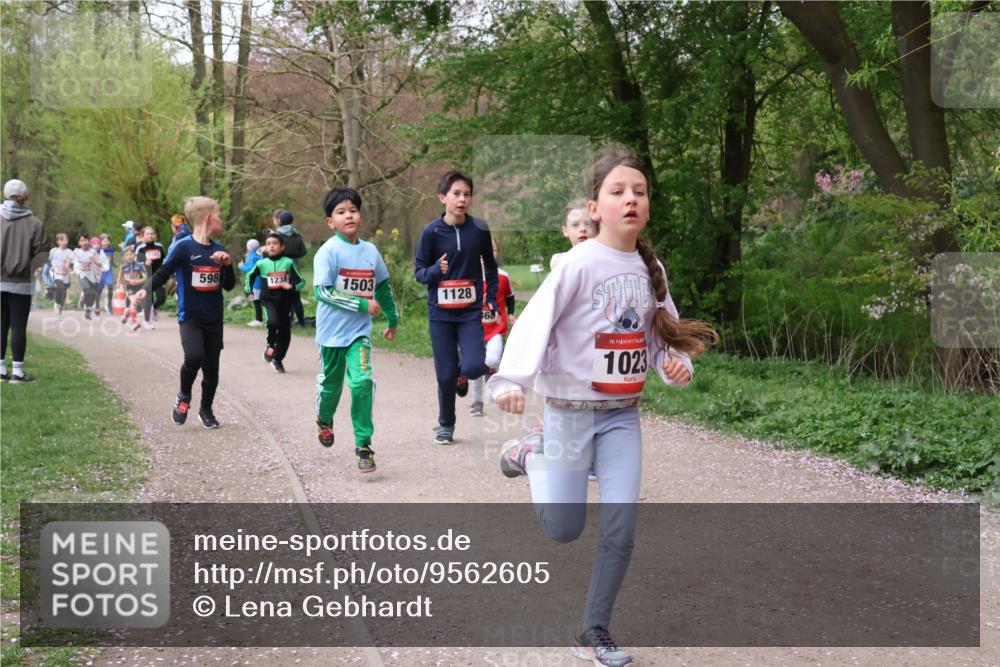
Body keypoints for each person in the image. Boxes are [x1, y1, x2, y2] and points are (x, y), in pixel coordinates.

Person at [487, 144, 718, 667]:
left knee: (621, 528)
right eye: (618, 191)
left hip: (621, 417)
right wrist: (510, 380)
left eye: (640, 192)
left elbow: (658, 335)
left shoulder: (650, 268)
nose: (630, 199)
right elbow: (536, 322)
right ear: (595, 208)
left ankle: (592, 630)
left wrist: (675, 364)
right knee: (563, 528)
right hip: (568, 412)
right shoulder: (577, 264)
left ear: (648, 206)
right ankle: (530, 454)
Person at [313, 187, 398, 473]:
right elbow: (323, 292)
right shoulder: (328, 252)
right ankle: (324, 419)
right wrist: (362, 304)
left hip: (358, 334)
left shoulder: (370, 252)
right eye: (341, 212)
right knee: (332, 387)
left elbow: (382, 287)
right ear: (331, 221)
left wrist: (393, 319)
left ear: (360, 215)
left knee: (362, 382)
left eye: (353, 210)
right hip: (330, 335)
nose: (348, 216)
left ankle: (363, 444)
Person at [133, 197, 235, 429]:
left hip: (214, 319)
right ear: (209, 218)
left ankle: (206, 410)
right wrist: (145, 290)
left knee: (211, 369)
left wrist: (228, 265)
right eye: (219, 215)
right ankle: (184, 395)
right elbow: (163, 272)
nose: (221, 220)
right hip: (190, 317)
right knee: (194, 357)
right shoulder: (183, 247)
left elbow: (228, 285)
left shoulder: (219, 250)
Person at [414, 170, 499, 445]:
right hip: (440, 314)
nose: (462, 199)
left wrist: (491, 298)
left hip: (470, 312)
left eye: (467, 194)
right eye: (456, 194)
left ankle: (462, 375)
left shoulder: (480, 229)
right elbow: (419, 273)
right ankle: (446, 424)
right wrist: (435, 271)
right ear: (443, 198)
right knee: (445, 374)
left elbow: (491, 268)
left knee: (474, 366)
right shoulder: (431, 232)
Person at [1, 179, 48, 383]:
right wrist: (29, 267)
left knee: (1, 325)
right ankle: (17, 372)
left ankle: (0, 370)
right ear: (25, 196)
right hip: (22, 282)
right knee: (18, 327)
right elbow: (43, 254)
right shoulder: (34, 223)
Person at [243, 233, 304, 373]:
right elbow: (250, 276)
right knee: (272, 321)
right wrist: (248, 291)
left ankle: (278, 359)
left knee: (285, 334)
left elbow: (301, 282)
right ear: (265, 247)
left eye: (275, 243)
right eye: (268, 243)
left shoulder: (288, 262)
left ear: (282, 247)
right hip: (268, 299)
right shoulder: (261, 263)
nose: (271, 246)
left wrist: (292, 286)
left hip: (285, 302)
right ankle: (270, 343)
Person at [469, 237, 515, 417]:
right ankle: (477, 402)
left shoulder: (503, 276)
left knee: (493, 359)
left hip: (495, 327)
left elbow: (510, 296)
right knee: (475, 366)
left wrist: (511, 313)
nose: (487, 254)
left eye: (492, 250)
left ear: (496, 253)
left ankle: (491, 370)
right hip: (474, 329)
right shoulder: (469, 276)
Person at [272, 209, 308, 327]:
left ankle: (285, 321)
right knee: (296, 297)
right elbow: (303, 252)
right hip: (294, 269)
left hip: (280, 269)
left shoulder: (276, 236)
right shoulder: (297, 236)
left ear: (280, 221)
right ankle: (301, 322)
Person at [134, 226, 166, 329]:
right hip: (146, 277)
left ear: (155, 235)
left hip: (159, 276)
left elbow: (164, 261)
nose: (150, 236)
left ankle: (154, 309)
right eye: (147, 234)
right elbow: (136, 263)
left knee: (162, 298)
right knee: (148, 299)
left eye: (152, 233)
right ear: (143, 236)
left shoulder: (159, 246)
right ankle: (146, 321)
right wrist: (144, 262)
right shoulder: (140, 248)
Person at [71, 235, 103, 320]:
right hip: (82, 274)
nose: (84, 242)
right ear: (79, 243)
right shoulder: (76, 252)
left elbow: (100, 264)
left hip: (91, 275)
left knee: (91, 294)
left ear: (88, 241)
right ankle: (84, 297)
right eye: (81, 241)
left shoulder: (93, 252)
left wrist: (95, 260)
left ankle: (87, 311)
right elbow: (74, 263)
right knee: (87, 289)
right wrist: (77, 270)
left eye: (85, 240)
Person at [117, 245, 146, 331]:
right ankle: (134, 322)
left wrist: (137, 281)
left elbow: (146, 278)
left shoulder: (140, 265)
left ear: (135, 255)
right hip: (130, 288)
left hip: (140, 288)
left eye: (131, 254)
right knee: (134, 303)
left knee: (134, 304)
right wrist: (122, 282)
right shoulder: (123, 267)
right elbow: (120, 279)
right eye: (127, 255)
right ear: (124, 257)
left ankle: (126, 314)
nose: (129, 256)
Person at [238, 238, 265, 327]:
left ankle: (259, 320)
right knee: (260, 301)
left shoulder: (251, 257)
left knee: (256, 301)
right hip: (261, 282)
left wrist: (241, 266)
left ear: (248, 247)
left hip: (255, 283)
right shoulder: (259, 256)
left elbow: (251, 269)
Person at [48, 233, 74, 319]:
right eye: (62, 240)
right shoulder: (53, 251)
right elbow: (48, 261)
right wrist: (51, 268)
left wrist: (71, 270)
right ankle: (57, 302)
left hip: (65, 276)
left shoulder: (70, 252)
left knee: (63, 295)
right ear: (58, 241)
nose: (65, 241)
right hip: (56, 275)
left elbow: (73, 264)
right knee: (61, 287)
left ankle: (59, 312)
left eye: (66, 240)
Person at [98, 234, 116, 315]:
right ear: (100, 242)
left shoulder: (111, 249)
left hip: (108, 271)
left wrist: (113, 264)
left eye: (107, 241)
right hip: (101, 271)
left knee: (110, 286)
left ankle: (109, 305)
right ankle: (97, 304)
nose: (106, 242)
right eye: (104, 241)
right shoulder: (99, 250)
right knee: (100, 289)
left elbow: (111, 258)